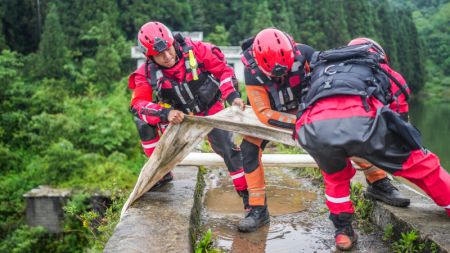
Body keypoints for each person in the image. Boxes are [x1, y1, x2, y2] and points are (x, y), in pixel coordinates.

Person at [238, 28, 409, 233]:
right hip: (273, 112)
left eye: (285, 69)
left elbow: (327, 82)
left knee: (342, 134)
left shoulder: (306, 54)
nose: (281, 75)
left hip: (307, 106)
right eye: (275, 73)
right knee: (248, 147)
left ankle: (378, 183)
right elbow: (264, 112)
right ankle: (257, 209)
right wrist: (300, 123)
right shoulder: (251, 69)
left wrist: (318, 118)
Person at [295, 37, 450, 250]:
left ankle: (343, 233)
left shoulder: (324, 69)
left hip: (313, 130)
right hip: (361, 123)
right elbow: (400, 115)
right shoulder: (380, 68)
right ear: (378, 53)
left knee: (335, 177)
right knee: (423, 165)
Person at [128, 21, 249, 206]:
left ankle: (248, 196)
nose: (167, 56)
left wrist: (232, 95)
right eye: (159, 55)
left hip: (210, 108)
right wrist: (164, 112)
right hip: (178, 118)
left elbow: (223, 70)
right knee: (142, 122)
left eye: (168, 49)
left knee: (226, 147)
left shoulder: (198, 50)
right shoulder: (146, 73)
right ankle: (160, 174)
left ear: (172, 42)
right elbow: (137, 104)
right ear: (149, 56)